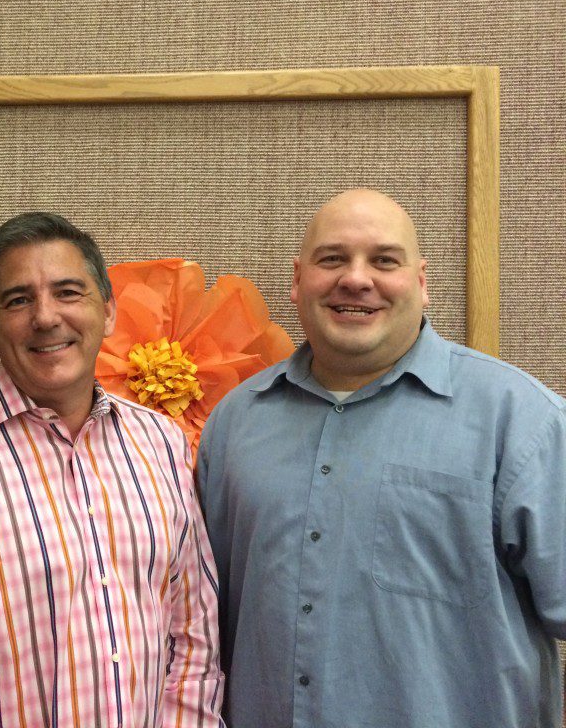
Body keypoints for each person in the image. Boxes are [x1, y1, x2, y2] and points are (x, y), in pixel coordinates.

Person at [198, 188, 566, 727]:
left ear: (421, 283)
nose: (356, 278)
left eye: (384, 260)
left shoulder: (520, 421)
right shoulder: (233, 424)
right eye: (332, 259)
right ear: (298, 282)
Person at [0, 212, 224, 727]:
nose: (47, 317)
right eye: (18, 300)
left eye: (69, 292)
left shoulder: (162, 444)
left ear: (109, 312)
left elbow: (195, 639)